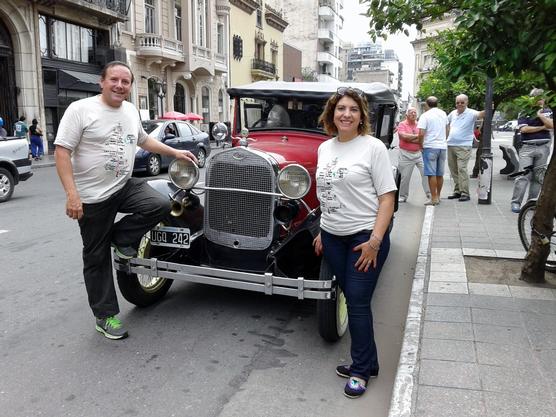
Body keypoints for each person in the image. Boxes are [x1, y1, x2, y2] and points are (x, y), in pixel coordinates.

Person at [54, 61, 197, 340]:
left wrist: (175, 153)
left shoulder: (130, 111)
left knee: (160, 204)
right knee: (96, 259)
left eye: (125, 82)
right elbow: (61, 152)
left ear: (130, 86)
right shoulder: (81, 110)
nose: (119, 86)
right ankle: (105, 316)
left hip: (122, 185)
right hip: (92, 198)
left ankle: (120, 239)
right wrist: (72, 195)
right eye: (114, 80)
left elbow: (144, 141)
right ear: (102, 82)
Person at [313, 87, 397, 399]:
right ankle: (369, 362)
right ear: (331, 114)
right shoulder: (325, 148)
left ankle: (360, 370)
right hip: (333, 236)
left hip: (365, 237)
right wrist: (323, 229)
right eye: (340, 109)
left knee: (358, 302)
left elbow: (388, 198)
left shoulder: (373, 148)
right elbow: (328, 194)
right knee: (352, 296)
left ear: (362, 116)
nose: (346, 114)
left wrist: (375, 241)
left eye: (353, 109)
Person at [510, 88, 553, 213]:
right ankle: (516, 202)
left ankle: (531, 203)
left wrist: (540, 115)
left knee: (538, 177)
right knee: (523, 175)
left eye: (541, 98)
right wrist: (542, 127)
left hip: (544, 147)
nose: (540, 101)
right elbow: (524, 130)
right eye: (537, 98)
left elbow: (551, 126)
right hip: (527, 147)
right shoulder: (525, 111)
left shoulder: (548, 111)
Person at [446, 94, 485, 201]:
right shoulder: (453, 113)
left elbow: (481, 114)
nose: (459, 104)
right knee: (453, 169)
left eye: (462, 102)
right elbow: (446, 122)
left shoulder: (471, 112)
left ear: (467, 103)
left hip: (464, 146)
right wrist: (448, 135)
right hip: (451, 144)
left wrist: (488, 108)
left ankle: (465, 193)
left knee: (462, 169)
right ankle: (457, 191)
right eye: (457, 102)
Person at [417, 96, 449, 205]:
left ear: (427, 104)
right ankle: (438, 196)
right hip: (442, 147)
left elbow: (421, 133)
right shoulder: (443, 114)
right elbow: (447, 129)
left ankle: (433, 198)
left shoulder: (425, 115)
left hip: (430, 146)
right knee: (440, 174)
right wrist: (444, 140)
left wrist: (421, 145)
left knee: (432, 174)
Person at [396, 106, 431, 203]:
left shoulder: (420, 124)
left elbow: (424, 138)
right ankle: (403, 196)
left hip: (419, 153)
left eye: (415, 112)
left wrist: (414, 138)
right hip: (405, 154)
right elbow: (403, 137)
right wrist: (418, 137)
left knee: (426, 174)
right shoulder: (402, 124)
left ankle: (429, 194)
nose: (413, 114)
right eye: (411, 112)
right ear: (406, 114)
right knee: (404, 177)